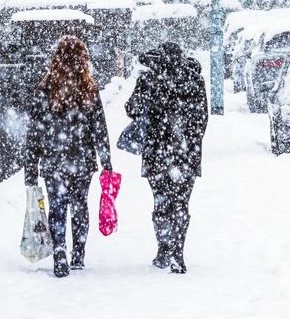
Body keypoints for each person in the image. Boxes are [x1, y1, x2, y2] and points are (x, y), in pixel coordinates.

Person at [23, 35, 113, 278]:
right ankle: (79, 253)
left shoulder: (45, 89)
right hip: (82, 159)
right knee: (80, 205)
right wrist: (106, 161)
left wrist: (30, 168)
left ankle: (60, 250)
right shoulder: (89, 88)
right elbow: (99, 128)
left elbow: (34, 132)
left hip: (54, 160)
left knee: (58, 207)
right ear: (83, 59)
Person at [125, 42, 209, 274]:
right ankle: (178, 252)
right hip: (186, 153)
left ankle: (164, 249)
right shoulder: (194, 80)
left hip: (156, 152)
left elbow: (132, 109)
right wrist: (189, 142)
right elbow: (202, 119)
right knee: (181, 203)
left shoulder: (149, 80)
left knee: (161, 202)